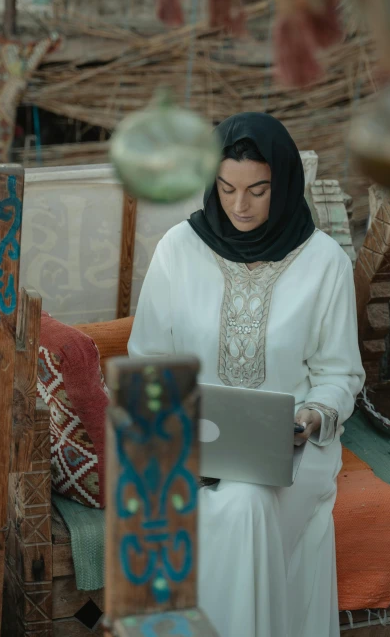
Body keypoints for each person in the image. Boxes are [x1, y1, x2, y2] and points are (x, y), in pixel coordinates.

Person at [128, 111, 365, 637]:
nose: (240, 206)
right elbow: (148, 360)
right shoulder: (177, 252)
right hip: (187, 445)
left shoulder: (324, 262)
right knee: (230, 499)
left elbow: (340, 373)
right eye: (227, 187)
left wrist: (310, 416)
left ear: (283, 184)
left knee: (246, 501)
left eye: (258, 190)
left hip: (293, 451)